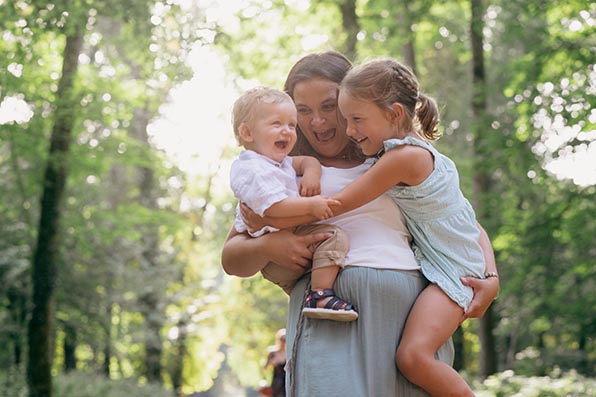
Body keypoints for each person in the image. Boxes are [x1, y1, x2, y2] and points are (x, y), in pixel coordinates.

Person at [222, 51, 499, 397]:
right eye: (303, 111)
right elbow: (231, 258)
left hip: (404, 312)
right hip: (327, 318)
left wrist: (490, 277)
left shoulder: (393, 155)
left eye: (329, 107)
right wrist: (267, 245)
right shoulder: (278, 173)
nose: (317, 122)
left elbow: (460, 218)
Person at [229, 86, 357, 321]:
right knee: (333, 237)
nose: (287, 131)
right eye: (277, 124)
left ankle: (311, 293)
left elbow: (307, 161)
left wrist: (311, 175)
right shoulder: (252, 169)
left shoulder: (277, 162)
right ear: (247, 133)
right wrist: (311, 207)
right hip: (275, 249)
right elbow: (274, 208)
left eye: (291, 125)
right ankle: (319, 294)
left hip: (290, 240)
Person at [261, 328, 288, 397]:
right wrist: (270, 362)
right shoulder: (272, 352)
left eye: (285, 340)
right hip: (277, 383)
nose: (283, 342)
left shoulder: (289, 353)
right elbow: (264, 368)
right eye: (281, 339)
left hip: (287, 381)